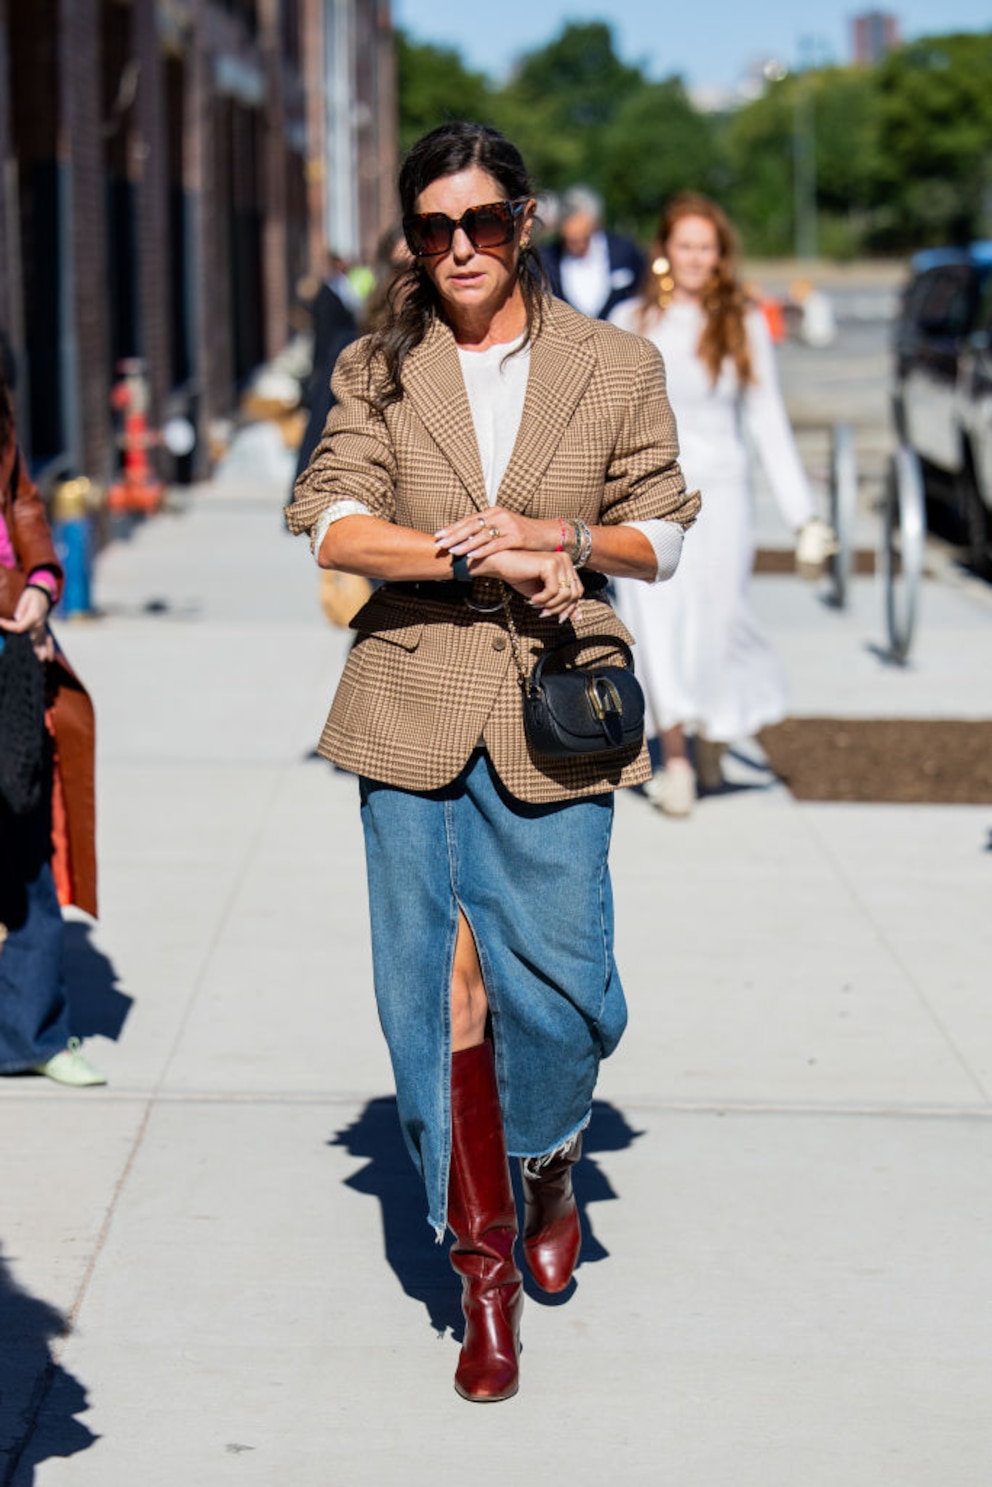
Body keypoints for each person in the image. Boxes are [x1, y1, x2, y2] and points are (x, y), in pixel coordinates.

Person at [286, 121, 699, 1402]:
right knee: (436, 993)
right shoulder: (378, 366)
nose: (456, 248)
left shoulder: (612, 362)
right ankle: (483, 1276)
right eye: (430, 229)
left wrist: (557, 531)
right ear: (412, 240)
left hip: (559, 706)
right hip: (406, 703)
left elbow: (664, 531)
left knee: (567, 993)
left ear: (522, 221)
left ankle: (550, 1153)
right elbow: (336, 525)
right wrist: (475, 553)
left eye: (479, 222)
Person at [610, 193, 836, 817]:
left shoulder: (741, 321)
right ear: (664, 250)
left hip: (724, 500)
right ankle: (676, 756)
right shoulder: (632, 320)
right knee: (657, 625)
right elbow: (605, 421)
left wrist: (804, 519)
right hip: (648, 499)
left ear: (720, 255)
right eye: (684, 244)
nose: (694, 257)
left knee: (715, 624)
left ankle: (711, 729)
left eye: (705, 246)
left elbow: (768, 424)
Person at [0, 349, 103, 1086]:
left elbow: (22, 499)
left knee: (26, 838)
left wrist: (40, 577)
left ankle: (31, 1033)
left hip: (12, 653)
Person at [540, 185, 644, 321]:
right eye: (570, 240)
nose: (576, 246)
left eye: (583, 238)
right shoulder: (547, 260)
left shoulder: (622, 251)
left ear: (594, 225)